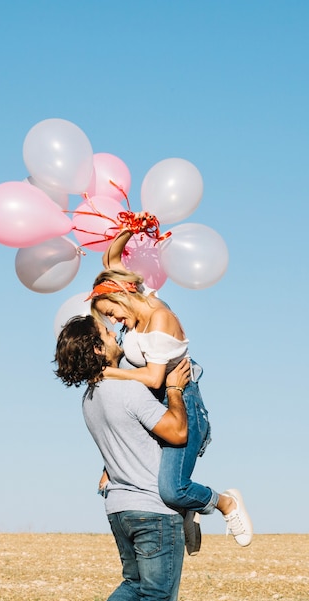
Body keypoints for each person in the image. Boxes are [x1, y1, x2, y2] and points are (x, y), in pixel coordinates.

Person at [86, 224, 253, 551]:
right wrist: (128, 228)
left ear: (123, 294)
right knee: (136, 482)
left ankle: (225, 503)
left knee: (172, 489)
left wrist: (108, 374)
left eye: (112, 312)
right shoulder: (141, 300)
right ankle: (186, 512)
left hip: (182, 406)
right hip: (153, 406)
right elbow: (112, 259)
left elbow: (153, 379)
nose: (115, 321)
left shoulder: (160, 319)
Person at [54, 314, 191, 601]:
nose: (114, 333)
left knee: (133, 585)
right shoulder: (127, 391)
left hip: (119, 509)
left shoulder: (89, 399)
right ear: (98, 349)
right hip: (153, 510)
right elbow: (177, 431)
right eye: (106, 331)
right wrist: (174, 389)